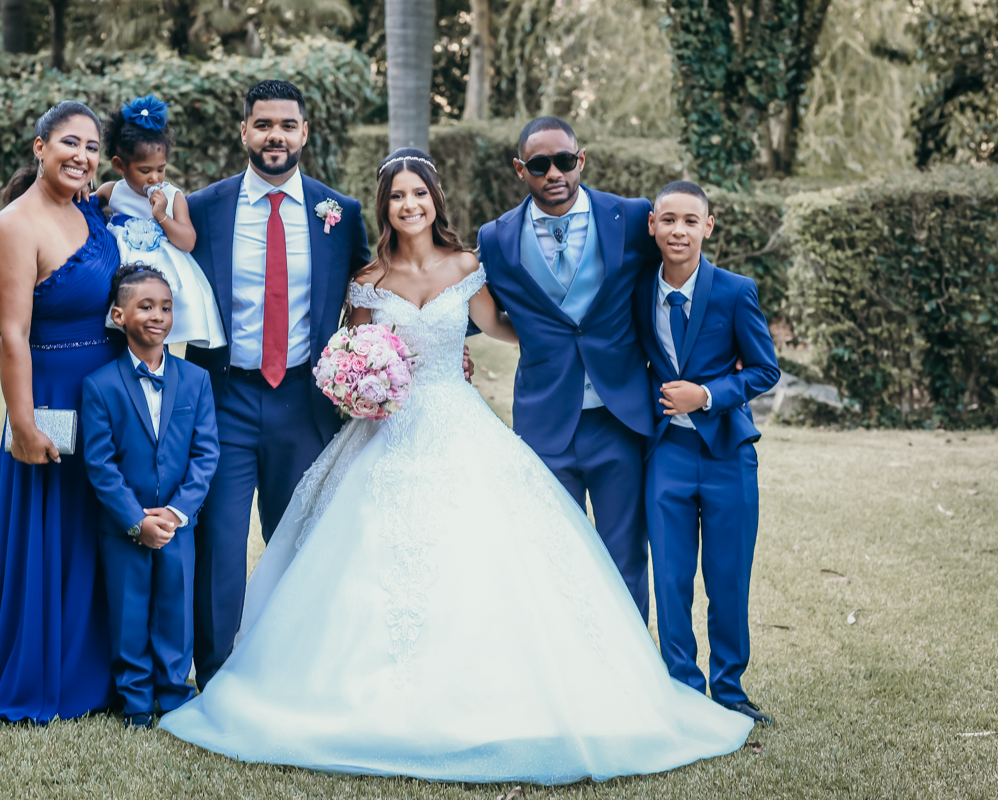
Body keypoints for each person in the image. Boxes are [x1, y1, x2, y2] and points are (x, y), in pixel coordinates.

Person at [158, 150, 754, 784]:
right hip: (384, 435)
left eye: (419, 193)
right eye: (397, 196)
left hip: (458, 424)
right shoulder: (368, 279)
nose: (409, 205)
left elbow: (513, 329)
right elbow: (352, 351)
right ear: (384, 206)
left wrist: (580, 345)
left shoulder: (468, 267)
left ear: (435, 200)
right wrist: (359, 383)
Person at [182, 80, 372, 688]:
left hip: (305, 400)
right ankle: (216, 677)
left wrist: (427, 344)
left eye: (287, 125)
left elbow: (375, 289)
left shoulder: (338, 212)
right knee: (219, 542)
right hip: (223, 398)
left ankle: (294, 674)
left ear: (304, 133)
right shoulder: (203, 207)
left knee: (300, 540)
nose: (275, 136)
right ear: (244, 131)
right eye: (263, 124)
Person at [0, 101, 120, 725]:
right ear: (39, 147)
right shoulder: (14, 226)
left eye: (92, 147)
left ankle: (104, 667)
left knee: (99, 526)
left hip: (107, 393)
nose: (82, 156)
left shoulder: (88, 210)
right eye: (70, 143)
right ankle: (49, 673)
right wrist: (23, 424)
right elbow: (12, 335)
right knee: (57, 531)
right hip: (54, 396)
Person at [475, 117, 659, 622]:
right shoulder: (495, 239)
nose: (553, 173)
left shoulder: (630, 217)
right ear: (520, 169)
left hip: (619, 416)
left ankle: (629, 662)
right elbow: (466, 310)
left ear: (581, 160)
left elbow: (672, 282)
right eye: (539, 165)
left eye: (563, 161)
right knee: (553, 556)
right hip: (544, 420)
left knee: (625, 555)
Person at [632, 181, 780, 725]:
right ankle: (683, 686)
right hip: (666, 452)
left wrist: (708, 395)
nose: (679, 231)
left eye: (690, 221)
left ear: (708, 227)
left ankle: (730, 688)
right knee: (671, 578)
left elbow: (765, 369)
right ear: (652, 225)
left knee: (727, 577)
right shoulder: (636, 290)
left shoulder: (735, 291)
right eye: (668, 220)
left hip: (727, 455)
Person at [81, 264, 220, 730]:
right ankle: (136, 702)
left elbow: (206, 453)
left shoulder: (196, 380)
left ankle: (176, 695)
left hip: (178, 524)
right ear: (119, 315)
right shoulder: (99, 385)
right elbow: (100, 464)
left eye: (166, 307)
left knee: (176, 611)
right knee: (129, 613)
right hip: (125, 526)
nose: (158, 316)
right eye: (145, 307)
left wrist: (178, 512)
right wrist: (135, 520)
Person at [96, 95, 225, 349]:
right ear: (120, 165)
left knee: (158, 328)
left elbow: (187, 241)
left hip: (164, 276)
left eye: (161, 169)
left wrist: (162, 216)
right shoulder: (112, 191)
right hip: (124, 272)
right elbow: (85, 209)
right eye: (145, 171)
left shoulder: (173, 195)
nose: (155, 178)